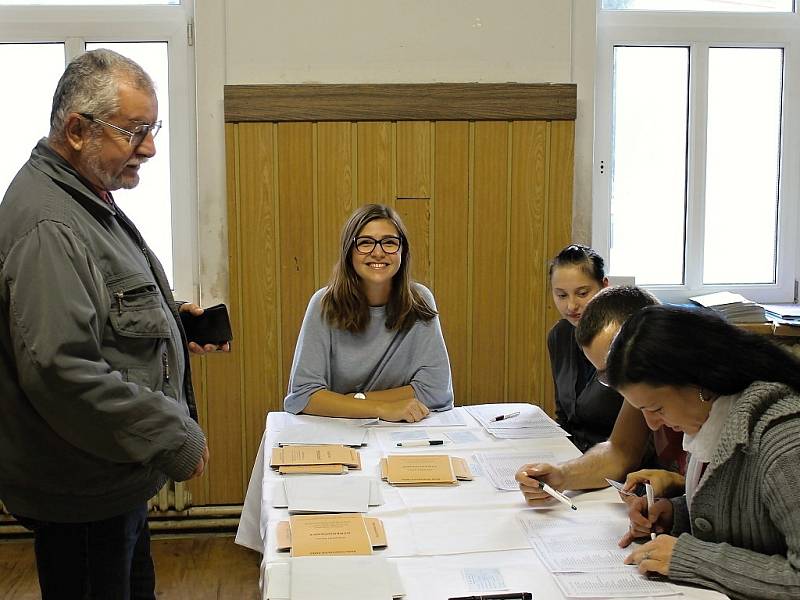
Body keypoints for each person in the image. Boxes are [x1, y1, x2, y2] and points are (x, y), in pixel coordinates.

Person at [0, 49, 223, 599]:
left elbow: (100, 310)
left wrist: (169, 324)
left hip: (107, 477)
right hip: (81, 487)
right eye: (135, 131)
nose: (148, 147)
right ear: (77, 130)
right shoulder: (49, 222)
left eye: (154, 128)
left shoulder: (82, 195)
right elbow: (60, 369)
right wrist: (175, 435)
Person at [606, 306, 800, 600]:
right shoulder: (714, 418)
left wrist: (689, 558)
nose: (652, 423)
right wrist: (676, 514)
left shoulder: (785, 444)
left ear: (700, 383)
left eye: (656, 408)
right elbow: (754, 513)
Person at [516, 286, 686, 505]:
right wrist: (562, 475)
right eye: (605, 376)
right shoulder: (639, 384)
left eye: (614, 372)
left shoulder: (710, 397)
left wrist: (680, 486)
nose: (615, 387)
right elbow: (620, 450)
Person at [284, 203, 453, 422]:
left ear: (403, 251)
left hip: (405, 431)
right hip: (340, 431)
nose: (378, 252)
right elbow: (303, 396)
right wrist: (382, 409)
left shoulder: (419, 302)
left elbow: (436, 390)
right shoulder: (324, 304)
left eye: (389, 243)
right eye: (365, 243)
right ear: (349, 253)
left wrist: (356, 399)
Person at [544, 244, 620, 452]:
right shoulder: (560, 335)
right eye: (561, 295)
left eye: (582, 293)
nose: (571, 306)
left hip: (618, 459)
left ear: (604, 286)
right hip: (574, 453)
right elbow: (564, 415)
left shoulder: (623, 337)